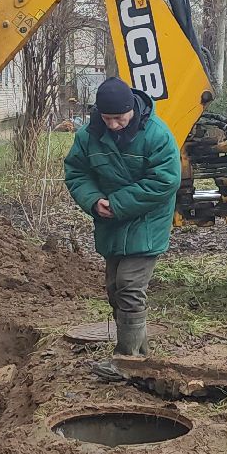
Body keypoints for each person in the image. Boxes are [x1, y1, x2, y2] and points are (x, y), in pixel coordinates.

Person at [63, 76, 182, 381]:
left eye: (120, 118)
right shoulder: (89, 135)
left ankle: (128, 361)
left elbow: (165, 181)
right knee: (115, 289)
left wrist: (117, 203)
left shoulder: (157, 135)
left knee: (129, 285)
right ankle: (138, 357)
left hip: (146, 219)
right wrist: (94, 201)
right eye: (107, 118)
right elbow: (77, 172)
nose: (114, 125)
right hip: (111, 221)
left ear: (133, 110)